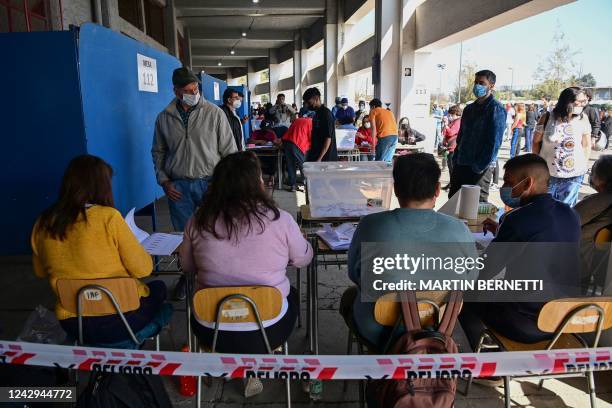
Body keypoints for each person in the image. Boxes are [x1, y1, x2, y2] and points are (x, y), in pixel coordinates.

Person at [180, 151, 312, 394]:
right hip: (268, 330)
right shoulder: (279, 220)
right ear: (256, 184)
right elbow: (303, 259)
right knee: (289, 294)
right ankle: (252, 367)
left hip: (212, 330)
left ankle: (235, 367)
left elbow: (186, 266)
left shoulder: (198, 220)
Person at [340, 153, 476, 351]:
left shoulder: (370, 225)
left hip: (378, 329)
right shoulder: (460, 229)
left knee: (350, 297)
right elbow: (469, 280)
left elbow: (355, 274)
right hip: (437, 327)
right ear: (437, 190)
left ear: (395, 190)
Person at [31, 155, 170, 346]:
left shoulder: (43, 221)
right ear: (102, 186)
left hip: (73, 321)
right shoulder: (109, 218)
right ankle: (132, 344)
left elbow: (40, 271)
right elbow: (143, 270)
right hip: (122, 320)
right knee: (160, 290)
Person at [460, 154, 580, 363]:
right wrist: (504, 234)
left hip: (528, 323)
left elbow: (485, 271)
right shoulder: (569, 213)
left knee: (463, 296)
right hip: (565, 318)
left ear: (528, 183)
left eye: (509, 182)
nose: (505, 187)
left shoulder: (518, 219)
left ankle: (490, 364)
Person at [152, 67, 237, 232]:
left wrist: (222, 183)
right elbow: (158, 152)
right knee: (184, 237)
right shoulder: (164, 118)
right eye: (187, 91)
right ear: (176, 92)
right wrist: (164, 181)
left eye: (195, 89)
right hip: (178, 188)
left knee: (216, 234)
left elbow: (230, 152)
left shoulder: (215, 114)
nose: (193, 94)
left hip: (211, 184)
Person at [449, 69, 506, 202]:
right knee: (454, 201)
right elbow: (461, 136)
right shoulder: (469, 109)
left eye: (481, 83)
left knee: (475, 206)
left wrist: (479, 167)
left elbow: (494, 142)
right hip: (461, 163)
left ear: (491, 86)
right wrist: (456, 159)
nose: (477, 86)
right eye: (475, 82)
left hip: (480, 168)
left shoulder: (495, 109)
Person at [533, 87, 592, 207]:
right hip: (548, 175)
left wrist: (583, 165)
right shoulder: (547, 117)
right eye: (579, 102)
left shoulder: (583, 118)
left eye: (584, 101)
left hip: (573, 177)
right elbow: (535, 142)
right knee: (545, 209)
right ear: (568, 101)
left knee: (566, 211)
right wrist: (537, 165)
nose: (582, 105)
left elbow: (586, 145)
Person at [574, 155, 612, 290]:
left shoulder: (598, 202)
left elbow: (568, 222)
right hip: (602, 270)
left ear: (602, 178)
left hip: (581, 267)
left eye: (593, 172)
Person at [302, 87, 338, 162]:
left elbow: (328, 138)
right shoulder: (316, 113)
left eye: (309, 102)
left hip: (325, 158)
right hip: (316, 154)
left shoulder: (326, 114)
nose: (307, 105)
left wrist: (319, 159)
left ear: (316, 98)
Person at [282, 112, 313, 191]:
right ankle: (306, 185)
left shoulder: (298, 120)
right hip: (297, 143)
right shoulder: (310, 122)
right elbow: (311, 137)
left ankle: (292, 185)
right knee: (302, 165)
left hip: (287, 142)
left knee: (290, 164)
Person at [369, 98, 399, 162]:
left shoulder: (373, 111)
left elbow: (373, 129)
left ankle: (378, 172)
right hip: (395, 137)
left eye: (370, 107)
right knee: (387, 162)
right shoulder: (389, 112)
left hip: (385, 137)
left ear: (373, 106)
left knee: (379, 161)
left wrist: (373, 147)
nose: (370, 109)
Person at [441, 105, 462, 179]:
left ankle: (452, 183)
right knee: (450, 167)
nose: (450, 116)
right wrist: (445, 125)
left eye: (451, 114)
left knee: (452, 167)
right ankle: (451, 183)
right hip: (449, 147)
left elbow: (451, 132)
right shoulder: (453, 121)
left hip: (453, 147)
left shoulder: (458, 122)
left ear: (456, 113)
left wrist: (446, 126)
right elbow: (445, 132)